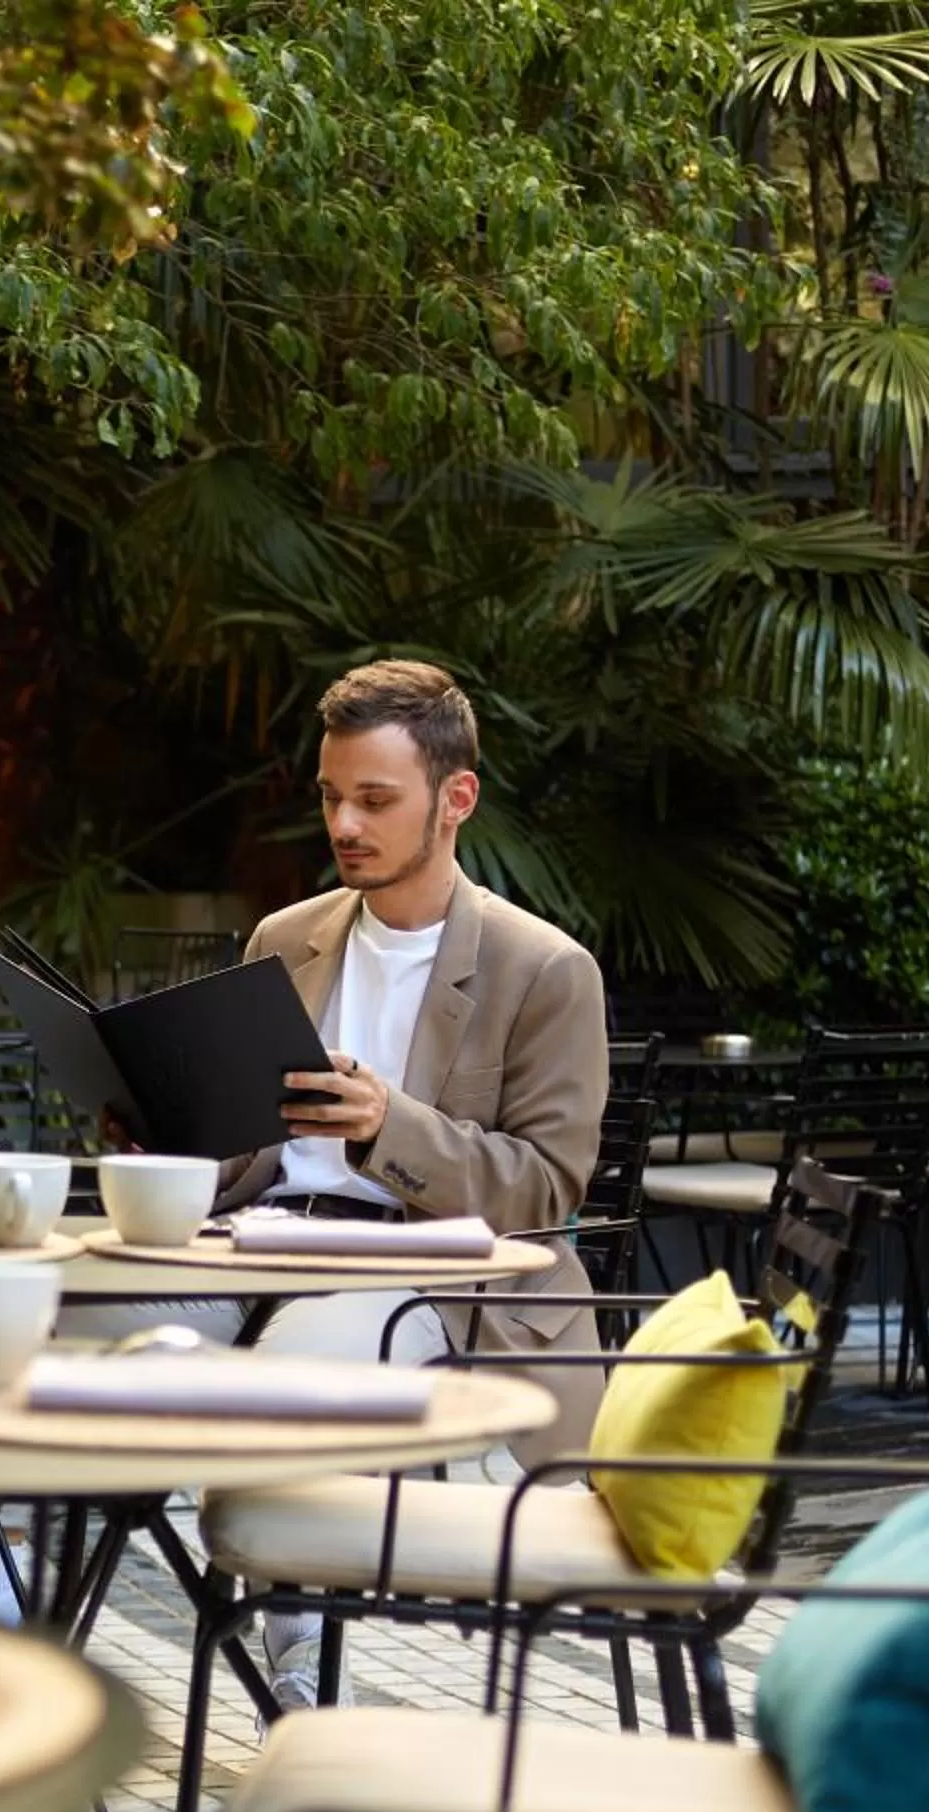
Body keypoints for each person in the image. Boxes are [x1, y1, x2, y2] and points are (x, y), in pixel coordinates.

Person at [185, 660, 611, 1701]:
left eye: (375, 798)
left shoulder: (543, 969)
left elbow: (548, 1185)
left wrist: (391, 1127)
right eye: (332, 795)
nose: (345, 822)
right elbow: (246, 1151)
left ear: (454, 797)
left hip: (420, 1262)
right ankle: (3, 1600)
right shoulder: (285, 941)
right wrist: (172, 1119)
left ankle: (298, 1678)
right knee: (59, 1336)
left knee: (294, 1388)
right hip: (257, 1238)